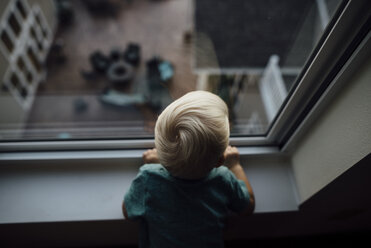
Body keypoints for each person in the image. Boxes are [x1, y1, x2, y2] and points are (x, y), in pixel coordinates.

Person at [122, 91, 255, 248]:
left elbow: (128, 212)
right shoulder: (223, 178)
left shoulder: (148, 177)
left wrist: (158, 165)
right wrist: (235, 166)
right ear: (220, 160)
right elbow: (248, 206)